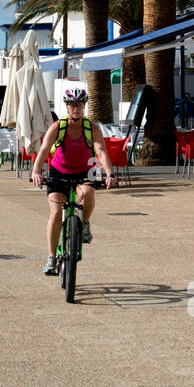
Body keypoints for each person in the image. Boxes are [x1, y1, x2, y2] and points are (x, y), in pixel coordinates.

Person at [30, 87, 117, 276]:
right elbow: (44, 149)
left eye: (78, 105)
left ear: (84, 106)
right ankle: (52, 258)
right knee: (55, 214)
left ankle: (84, 224)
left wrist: (110, 174)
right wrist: (36, 171)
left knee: (88, 194)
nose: (75, 109)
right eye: (71, 105)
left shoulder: (91, 129)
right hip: (58, 172)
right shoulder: (58, 127)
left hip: (84, 171)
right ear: (67, 107)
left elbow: (101, 152)